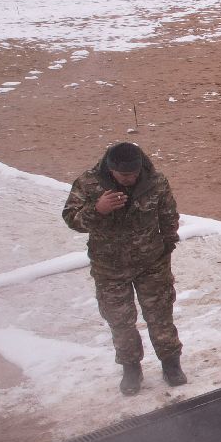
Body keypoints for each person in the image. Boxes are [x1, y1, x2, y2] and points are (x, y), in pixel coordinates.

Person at [62, 141, 186, 395]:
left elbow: (169, 216)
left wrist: (166, 248)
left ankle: (171, 364)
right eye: (124, 175)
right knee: (120, 321)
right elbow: (71, 219)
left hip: (151, 264)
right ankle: (131, 369)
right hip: (109, 269)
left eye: (134, 174)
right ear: (111, 169)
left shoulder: (156, 182)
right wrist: (97, 210)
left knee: (160, 316)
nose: (130, 179)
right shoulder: (88, 184)